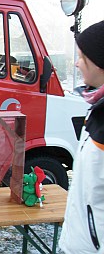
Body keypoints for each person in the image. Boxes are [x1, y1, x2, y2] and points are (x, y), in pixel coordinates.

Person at [59, 21, 104, 253]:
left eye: (82, 57)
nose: (76, 63)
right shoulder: (96, 108)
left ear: (99, 63)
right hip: (79, 242)